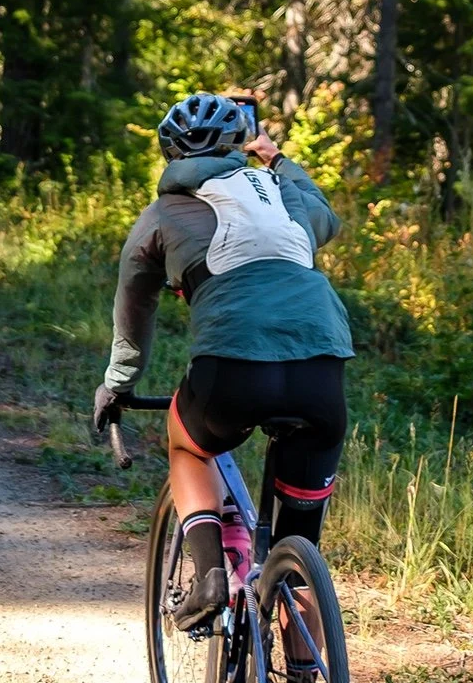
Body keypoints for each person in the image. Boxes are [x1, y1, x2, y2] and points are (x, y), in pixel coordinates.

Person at [94, 92, 354, 632]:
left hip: (231, 366)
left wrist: (118, 384)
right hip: (321, 367)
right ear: (240, 144)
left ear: (170, 156)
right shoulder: (284, 195)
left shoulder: (161, 215)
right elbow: (325, 214)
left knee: (188, 440)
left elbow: (133, 308)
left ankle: (211, 576)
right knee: (299, 550)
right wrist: (278, 159)